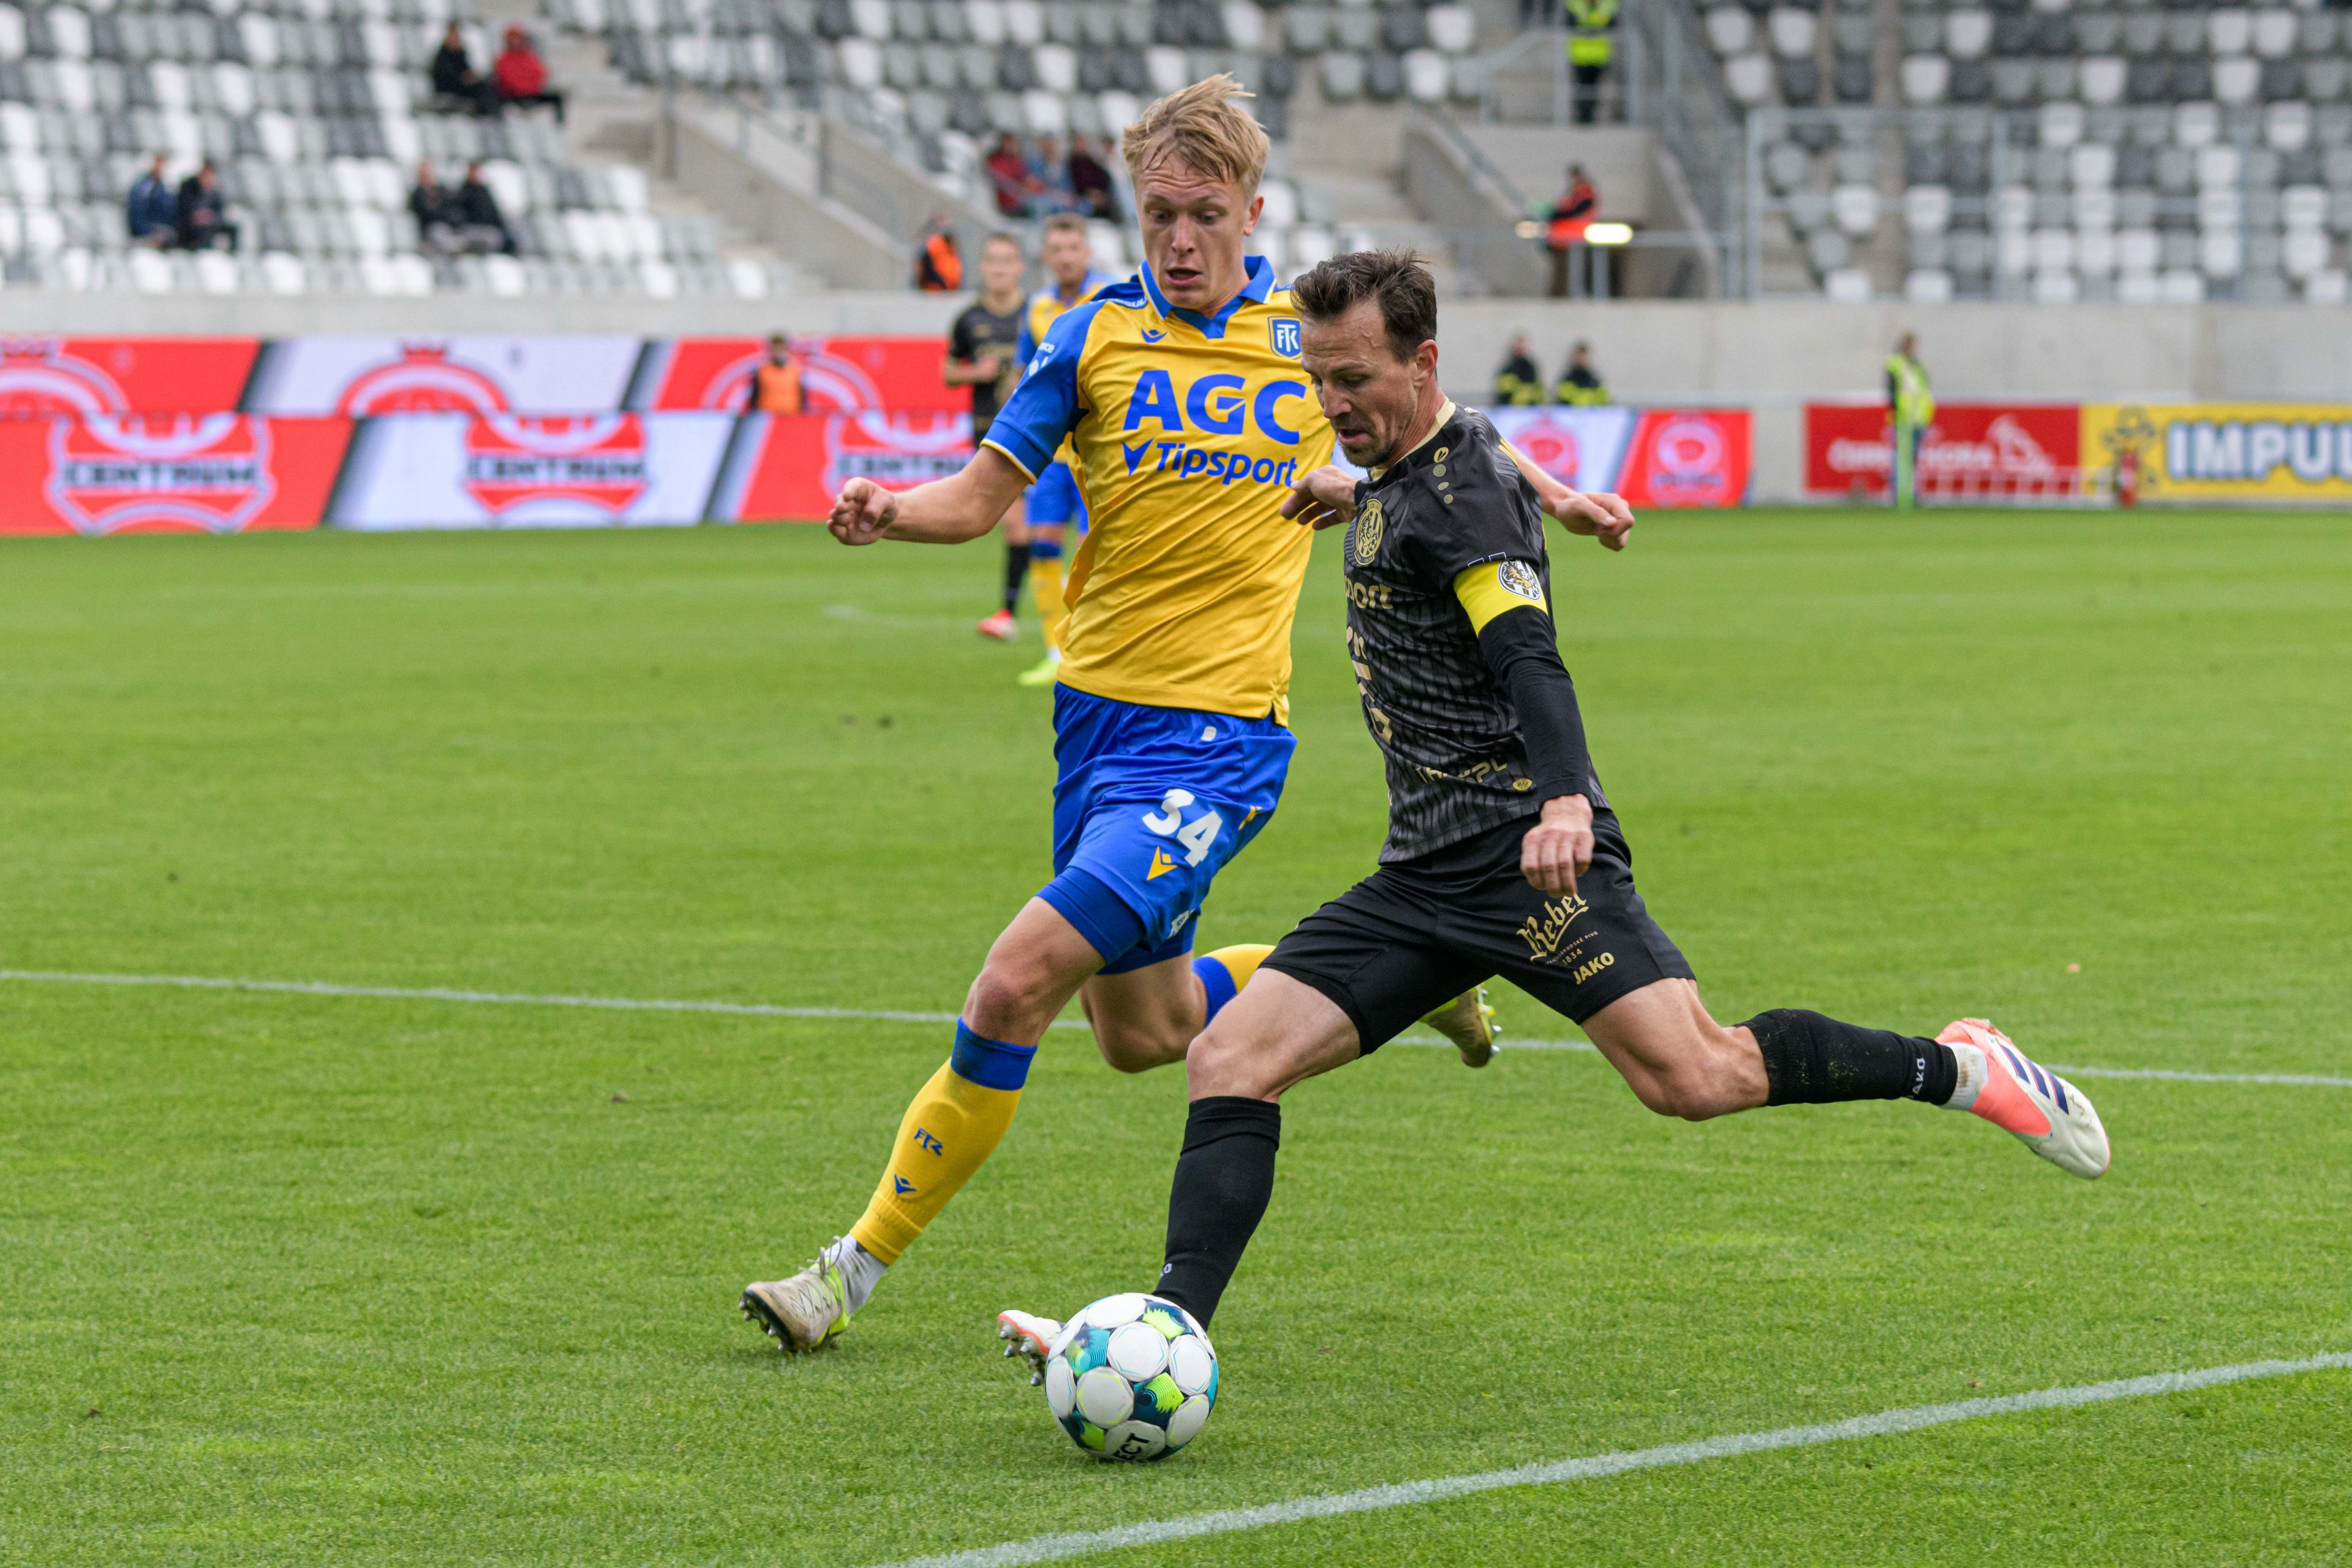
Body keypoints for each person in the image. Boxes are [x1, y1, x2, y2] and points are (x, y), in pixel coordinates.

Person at [994, 251, 2109, 1367]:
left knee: (1694, 1078)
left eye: (1355, 381)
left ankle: (1962, 1068)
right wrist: (1394, 490)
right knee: (1229, 1060)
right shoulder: (1415, 458)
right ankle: (1166, 1333)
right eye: (1319, 380)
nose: (1331, 405)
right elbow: (1460, 449)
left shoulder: (1464, 500)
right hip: (1420, 874)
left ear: (1422, 363)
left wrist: (1566, 801)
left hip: (1528, 858)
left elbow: (1529, 656)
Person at [738, 78, 1617, 1359]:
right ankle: (1429, 979)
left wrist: (1564, 496)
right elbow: (981, 496)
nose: (1182, 239)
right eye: (1160, 215)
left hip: (1218, 743)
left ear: (1253, 212)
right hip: (1095, 730)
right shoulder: (1091, 337)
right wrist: (892, 509)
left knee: (1015, 980)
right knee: (1141, 1033)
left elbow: (1440, 438)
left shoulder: (1302, 335)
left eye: (1206, 214)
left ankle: (845, 1271)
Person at [1007, 212, 1120, 687]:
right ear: (1046, 256)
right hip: (1054, 456)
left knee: (1095, 553)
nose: (1066, 257)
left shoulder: (1113, 298)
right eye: (1058, 249)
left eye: (1074, 248)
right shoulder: (1036, 307)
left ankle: (1095, 649)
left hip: (1099, 454)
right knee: (1043, 545)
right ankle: (1056, 651)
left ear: (1087, 252)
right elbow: (1024, 374)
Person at [948, 233, 1035, 643]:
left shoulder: (1037, 313)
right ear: (983, 267)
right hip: (993, 435)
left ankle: (1018, 611)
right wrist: (974, 373)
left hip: (1041, 431)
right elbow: (947, 372)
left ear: (1020, 266)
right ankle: (1010, 612)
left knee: (1041, 527)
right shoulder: (969, 319)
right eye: (993, 261)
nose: (999, 268)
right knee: (1016, 526)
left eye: (1006, 260)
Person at [1885, 331, 1934, 511]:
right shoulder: (1895, 364)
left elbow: (1924, 390)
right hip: (1903, 418)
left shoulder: (1917, 365)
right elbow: (1891, 390)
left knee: (1912, 459)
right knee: (1901, 458)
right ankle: (1899, 495)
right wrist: (1895, 411)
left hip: (1918, 418)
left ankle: (1911, 494)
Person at [493, 26, 566, 123]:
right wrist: (520, 89)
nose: (515, 42)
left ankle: (559, 125)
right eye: (512, 40)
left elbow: (540, 73)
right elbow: (505, 79)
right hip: (513, 96)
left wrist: (531, 88)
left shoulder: (530, 57)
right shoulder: (503, 59)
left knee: (558, 97)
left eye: (517, 39)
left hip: (532, 94)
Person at [1545, 164, 1596, 298]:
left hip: (1573, 239)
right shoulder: (1572, 193)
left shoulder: (1584, 192)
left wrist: (1557, 215)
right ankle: (1558, 297)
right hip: (1561, 240)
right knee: (1561, 271)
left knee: (1568, 271)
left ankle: (1564, 297)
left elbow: (1578, 210)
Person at [1565, 0, 1619, 123]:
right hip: (1580, 55)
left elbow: (1613, 25)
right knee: (1582, 88)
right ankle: (1583, 117)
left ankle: (1590, 117)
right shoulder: (1575, 3)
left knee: (1595, 88)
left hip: (1600, 55)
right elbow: (1569, 23)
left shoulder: (1608, 4)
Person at [431, 23, 496, 115]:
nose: (455, 40)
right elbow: (443, 76)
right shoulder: (442, 57)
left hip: (462, 87)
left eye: (457, 37)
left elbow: (466, 70)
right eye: (453, 37)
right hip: (450, 89)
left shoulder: (460, 54)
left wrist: (470, 76)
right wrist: (463, 79)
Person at [450, 161, 513, 254]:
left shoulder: (485, 192)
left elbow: (494, 213)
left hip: (489, 229)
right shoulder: (463, 193)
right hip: (471, 229)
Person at [174, 160, 236, 251]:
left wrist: (211, 218)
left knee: (231, 229)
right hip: (190, 224)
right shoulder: (189, 188)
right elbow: (184, 209)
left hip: (209, 223)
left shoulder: (215, 193)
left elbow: (220, 213)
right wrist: (198, 216)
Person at [744, 334, 804, 415]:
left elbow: (802, 398)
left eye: (781, 349)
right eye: (775, 349)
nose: (778, 352)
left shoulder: (796, 372)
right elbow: (754, 397)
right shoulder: (761, 371)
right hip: (767, 416)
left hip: (790, 416)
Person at [126, 156, 176, 247]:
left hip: (161, 231)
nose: (160, 168)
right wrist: (147, 232)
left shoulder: (164, 187)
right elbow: (137, 214)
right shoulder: (143, 187)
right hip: (145, 233)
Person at [986, 133, 1035, 217]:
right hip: (1005, 204)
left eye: (1013, 143)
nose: (1011, 145)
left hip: (1021, 202)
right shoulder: (995, 160)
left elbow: (1025, 178)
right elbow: (1000, 181)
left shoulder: (1017, 160)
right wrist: (1020, 190)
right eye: (1008, 142)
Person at [1068, 134, 1115, 219]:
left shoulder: (1091, 161)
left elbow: (1102, 177)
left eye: (1084, 143)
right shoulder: (1071, 163)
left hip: (1097, 194)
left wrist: (1099, 193)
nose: (1082, 146)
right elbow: (1075, 183)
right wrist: (1090, 193)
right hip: (1081, 197)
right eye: (1080, 143)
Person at [914, 211, 963, 292]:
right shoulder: (933, 243)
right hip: (935, 289)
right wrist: (941, 283)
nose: (945, 226)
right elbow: (927, 266)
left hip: (950, 289)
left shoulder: (952, 245)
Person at [1492, 330, 1544, 405]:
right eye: (1519, 345)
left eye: (1523, 345)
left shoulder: (1530, 367)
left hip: (1529, 408)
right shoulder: (1508, 367)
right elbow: (1503, 391)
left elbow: (1538, 389)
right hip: (1510, 408)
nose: (1521, 348)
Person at [1556, 339, 1610, 405]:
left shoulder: (1594, 380)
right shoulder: (1567, 380)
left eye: (1584, 356)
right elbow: (1563, 400)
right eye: (1579, 356)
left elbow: (1603, 399)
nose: (1582, 359)